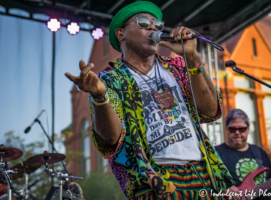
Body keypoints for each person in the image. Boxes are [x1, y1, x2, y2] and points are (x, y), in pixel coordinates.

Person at [65, 1, 235, 199]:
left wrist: (193, 58)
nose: (153, 27)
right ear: (121, 34)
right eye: (143, 23)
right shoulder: (111, 79)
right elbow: (111, 140)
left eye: (158, 24)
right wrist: (99, 97)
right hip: (154, 181)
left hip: (203, 174)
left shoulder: (177, 67)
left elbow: (210, 111)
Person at [215, 109, 271, 200]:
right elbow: (204, 181)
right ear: (226, 129)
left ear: (248, 129)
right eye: (232, 129)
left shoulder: (259, 152)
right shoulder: (216, 153)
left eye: (241, 129)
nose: (237, 132)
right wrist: (224, 188)